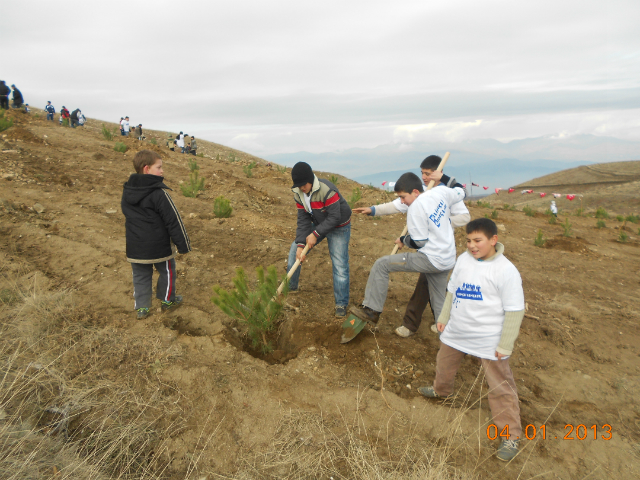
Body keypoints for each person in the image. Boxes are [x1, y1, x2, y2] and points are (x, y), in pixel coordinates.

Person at [417, 218, 525, 462]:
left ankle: (510, 434)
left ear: (493, 240)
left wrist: (505, 343)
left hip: (488, 338)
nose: (472, 246)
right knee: (444, 363)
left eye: (478, 241)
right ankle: (441, 391)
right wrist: (444, 317)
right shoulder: (464, 260)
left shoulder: (506, 271)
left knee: (500, 385)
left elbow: (515, 310)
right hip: (458, 331)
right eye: (468, 241)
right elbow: (452, 291)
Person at [353, 155, 470, 338]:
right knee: (439, 300)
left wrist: (403, 240)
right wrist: (444, 180)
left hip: (431, 258)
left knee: (382, 265)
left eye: (403, 197)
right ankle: (452, 337)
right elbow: (461, 190)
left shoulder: (416, 208)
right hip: (447, 259)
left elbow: (419, 242)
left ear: (415, 191)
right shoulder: (440, 192)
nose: (402, 201)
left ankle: (371, 310)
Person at [121, 150, 191, 319]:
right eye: (158, 167)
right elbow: (173, 221)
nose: (162, 171)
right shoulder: (159, 193)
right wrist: (183, 245)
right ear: (147, 169)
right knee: (168, 271)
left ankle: (142, 308)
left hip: (135, 247)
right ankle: (168, 301)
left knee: (140, 276)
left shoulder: (127, 192)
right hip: (159, 247)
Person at [287, 162, 352, 317]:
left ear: (310, 179)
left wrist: (315, 234)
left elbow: (335, 217)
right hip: (319, 222)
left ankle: (341, 304)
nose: (302, 188)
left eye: (304, 184)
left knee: (339, 264)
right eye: (299, 185)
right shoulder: (298, 193)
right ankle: (291, 289)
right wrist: (302, 243)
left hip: (339, 226)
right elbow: (303, 219)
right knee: (294, 252)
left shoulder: (327, 190)